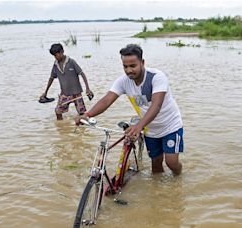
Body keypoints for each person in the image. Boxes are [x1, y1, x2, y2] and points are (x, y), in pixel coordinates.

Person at [75, 44, 184, 175]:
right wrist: (87, 114)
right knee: (155, 163)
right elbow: (107, 100)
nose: (129, 70)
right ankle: (158, 192)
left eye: (133, 66)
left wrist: (139, 126)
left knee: (171, 163)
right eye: (125, 67)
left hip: (170, 126)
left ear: (142, 63)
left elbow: (156, 105)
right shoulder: (123, 82)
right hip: (150, 129)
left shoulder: (156, 77)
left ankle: (178, 181)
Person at [40, 43, 93, 120]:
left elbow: (82, 74)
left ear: (62, 52)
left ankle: (83, 129)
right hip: (64, 94)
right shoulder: (55, 64)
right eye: (54, 56)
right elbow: (51, 78)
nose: (55, 57)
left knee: (82, 114)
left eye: (56, 55)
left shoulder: (71, 62)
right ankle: (62, 129)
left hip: (76, 93)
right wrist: (45, 92)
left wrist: (87, 89)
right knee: (58, 112)